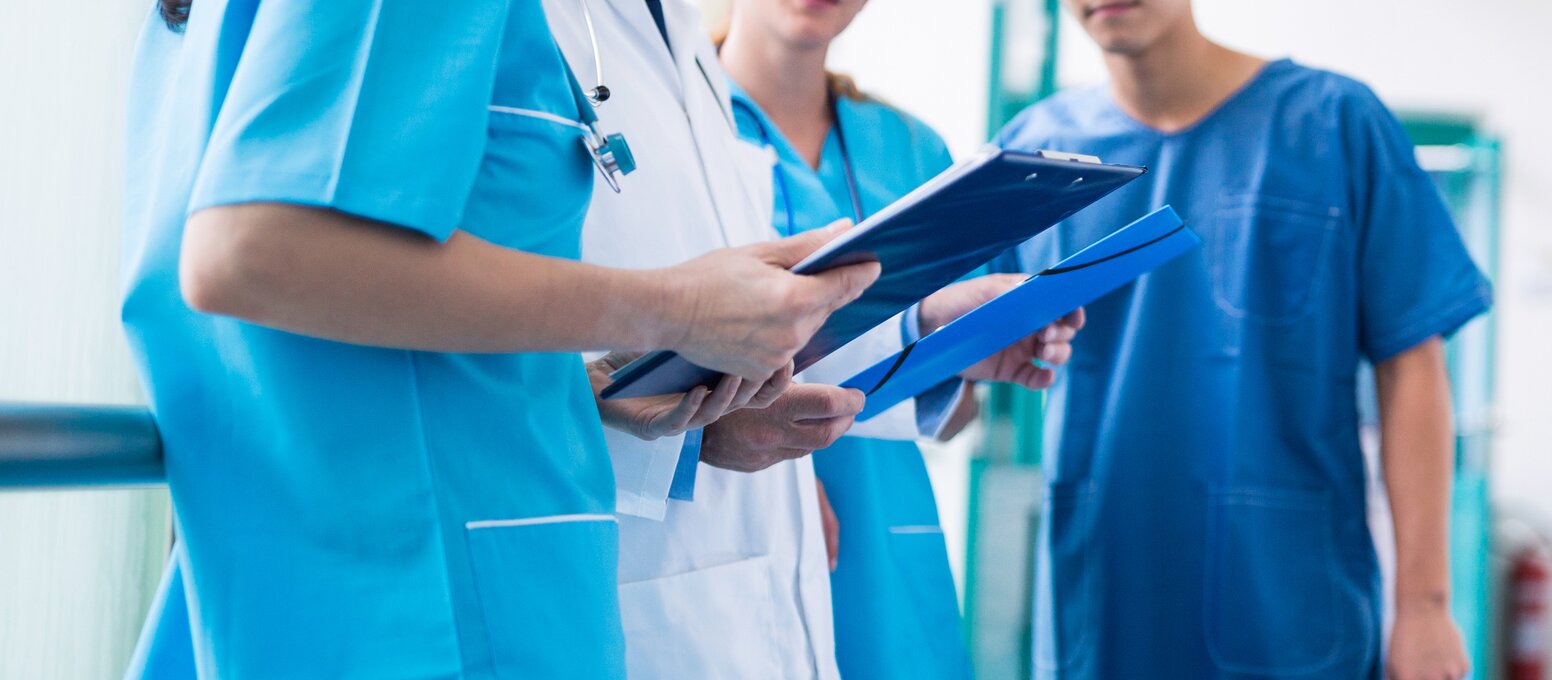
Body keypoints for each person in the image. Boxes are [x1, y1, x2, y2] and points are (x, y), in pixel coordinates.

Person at [120, 0, 873, 677]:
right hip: (414, 607)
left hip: (479, 585)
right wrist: (677, 310)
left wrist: (591, 386)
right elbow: (254, 252)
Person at [537, 0, 1075, 676]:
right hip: (714, 514)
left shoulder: (910, 147)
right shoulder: (652, 102)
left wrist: (943, 343)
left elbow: (953, 409)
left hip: (884, 530)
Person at [991, 1, 1491, 678]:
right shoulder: (1034, 155)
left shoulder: (1333, 123)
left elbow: (1413, 367)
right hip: (1104, 603)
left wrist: (1425, 605)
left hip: (1292, 606)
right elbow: (957, 377)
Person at [713, 0, 1064, 677]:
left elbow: (957, 414)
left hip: (889, 544)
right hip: (731, 525)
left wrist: (967, 356)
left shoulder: (913, 151)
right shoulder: (675, 134)